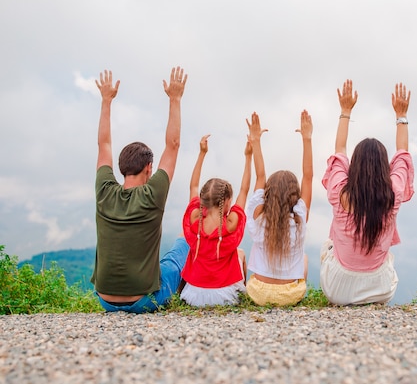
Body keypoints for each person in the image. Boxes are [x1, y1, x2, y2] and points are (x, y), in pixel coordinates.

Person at [90, 67, 189, 313]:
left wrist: (106, 100)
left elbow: (104, 144)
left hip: (104, 300)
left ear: (121, 168)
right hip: (144, 299)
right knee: (182, 247)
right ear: (149, 168)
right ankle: (192, 297)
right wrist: (175, 99)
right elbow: (173, 145)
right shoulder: (152, 194)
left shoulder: (104, 191)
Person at [320, 79, 415, 305]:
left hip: (337, 291)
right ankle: (371, 293)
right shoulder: (393, 194)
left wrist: (345, 111)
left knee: (328, 245)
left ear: (355, 165)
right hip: (379, 290)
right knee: (387, 258)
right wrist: (401, 116)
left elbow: (339, 150)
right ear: (385, 166)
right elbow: (403, 154)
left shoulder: (340, 192)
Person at [245, 111, 313, 306]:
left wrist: (255, 141)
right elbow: (308, 177)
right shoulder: (300, 217)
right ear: (295, 196)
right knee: (305, 259)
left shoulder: (258, 215)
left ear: (267, 193)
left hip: (258, 292)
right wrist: (307, 139)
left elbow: (260, 176)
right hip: (289, 295)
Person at [179, 133, 252, 307]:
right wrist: (248, 157)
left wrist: (202, 153)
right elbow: (244, 190)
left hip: (195, 294)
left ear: (203, 200)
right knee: (240, 253)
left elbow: (193, 186)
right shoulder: (230, 225)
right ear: (227, 202)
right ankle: (243, 293)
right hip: (225, 295)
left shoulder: (195, 220)